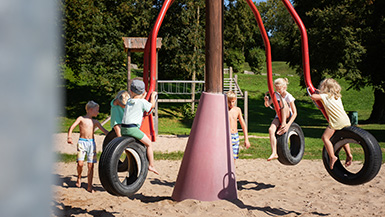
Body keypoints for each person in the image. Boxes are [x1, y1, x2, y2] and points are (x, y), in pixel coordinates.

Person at [311, 78, 353, 169]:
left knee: (325, 138)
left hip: (336, 121)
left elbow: (313, 97)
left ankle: (332, 156)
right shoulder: (336, 96)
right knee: (343, 137)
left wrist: (316, 93)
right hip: (345, 119)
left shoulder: (325, 96)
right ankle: (349, 154)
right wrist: (320, 93)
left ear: (325, 88)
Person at [67, 101, 109, 192]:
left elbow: (105, 131)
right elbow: (71, 127)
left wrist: (115, 134)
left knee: (91, 165)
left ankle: (89, 186)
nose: (98, 112)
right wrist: (69, 137)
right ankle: (79, 177)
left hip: (91, 143)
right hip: (82, 142)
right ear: (90, 110)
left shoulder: (95, 122)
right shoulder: (81, 119)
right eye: (97, 110)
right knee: (80, 163)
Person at [121, 80, 159, 175]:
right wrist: (153, 96)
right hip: (132, 129)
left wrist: (143, 95)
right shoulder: (142, 102)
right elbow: (151, 106)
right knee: (149, 144)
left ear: (131, 91)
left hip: (123, 129)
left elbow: (137, 99)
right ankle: (151, 165)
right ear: (143, 92)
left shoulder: (129, 101)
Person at [264, 78, 297, 161]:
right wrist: (266, 101)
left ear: (284, 87)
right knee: (271, 130)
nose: (277, 91)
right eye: (276, 89)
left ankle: (282, 124)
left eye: (279, 89)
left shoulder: (289, 97)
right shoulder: (276, 95)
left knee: (282, 103)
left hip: (287, 115)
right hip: (279, 116)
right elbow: (268, 105)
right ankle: (274, 152)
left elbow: (295, 113)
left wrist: (287, 124)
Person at [227, 91, 251, 161]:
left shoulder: (237, 110)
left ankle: (232, 172)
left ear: (235, 100)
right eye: (229, 101)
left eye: (233, 101)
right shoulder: (224, 110)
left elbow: (243, 125)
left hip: (235, 136)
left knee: (234, 158)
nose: (231, 104)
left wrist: (246, 139)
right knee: (227, 158)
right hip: (227, 136)